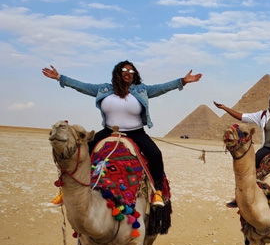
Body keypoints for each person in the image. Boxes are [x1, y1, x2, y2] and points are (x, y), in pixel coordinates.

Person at [42, 61, 202, 207]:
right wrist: (59, 77)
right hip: (108, 131)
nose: (128, 72)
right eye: (124, 70)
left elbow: (163, 87)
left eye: (131, 71)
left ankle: (157, 192)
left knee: (155, 154)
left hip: (135, 133)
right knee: (80, 154)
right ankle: (65, 192)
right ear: (117, 72)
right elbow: (81, 86)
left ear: (134, 75)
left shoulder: (142, 90)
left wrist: (182, 81)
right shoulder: (103, 89)